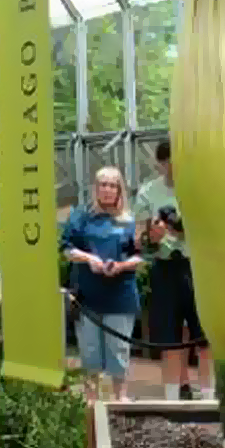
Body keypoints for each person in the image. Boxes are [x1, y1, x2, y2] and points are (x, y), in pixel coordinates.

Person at [134, 139, 214, 401]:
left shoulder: (200, 190)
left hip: (198, 267)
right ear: (161, 163)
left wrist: (183, 229)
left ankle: (208, 395)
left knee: (205, 336)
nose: (174, 166)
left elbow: (213, 230)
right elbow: (139, 240)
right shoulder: (147, 192)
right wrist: (152, 237)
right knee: (170, 338)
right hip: (165, 267)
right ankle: (172, 397)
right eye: (169, 161)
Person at [61, 166, 143, 402]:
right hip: (88, 296)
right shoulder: (81, 215)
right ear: (95, 188)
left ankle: (120, 398)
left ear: (120, 190)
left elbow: (139, 255)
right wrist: (90, 259)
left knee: (119, 350)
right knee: (89, 352)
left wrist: (121, 266)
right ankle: (91, 400)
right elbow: (67, 249)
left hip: (121, 296)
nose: (107, 189)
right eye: (102, 184)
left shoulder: (129, 220)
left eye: (112, 185)